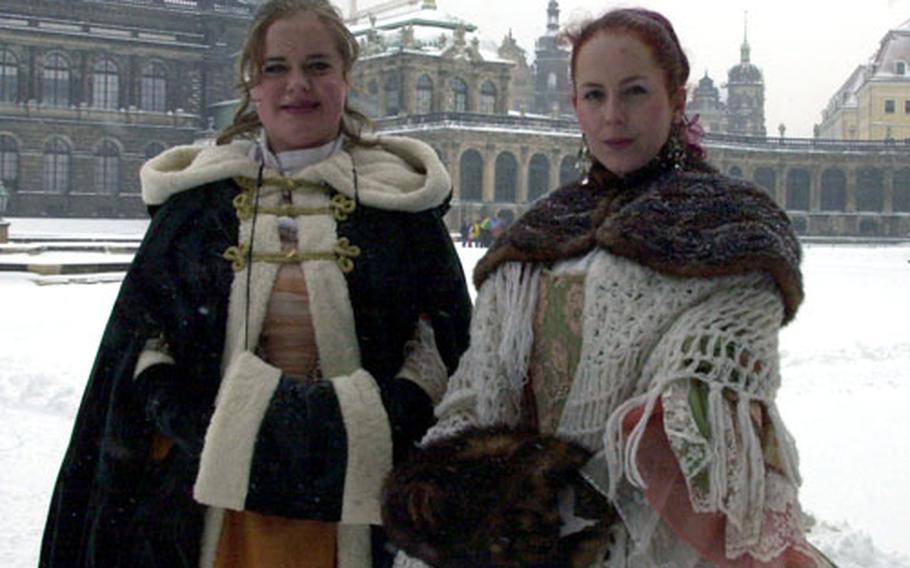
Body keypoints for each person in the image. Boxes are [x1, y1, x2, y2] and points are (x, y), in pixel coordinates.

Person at [383, 8, 833, 568]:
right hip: (512, 538)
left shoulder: (733, 232)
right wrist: (455, 492)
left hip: (650, 540)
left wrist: (552, 506)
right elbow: (480, 387)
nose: (613, 115)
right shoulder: (539, 231)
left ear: (676, 96)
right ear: (574, 103)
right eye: (594, 95)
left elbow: (694, 418)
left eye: (635, 91)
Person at [39, 1, 471, 567]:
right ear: (252, 83)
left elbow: (446, 351)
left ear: (346, 78)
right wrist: (194, 422)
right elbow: (139, 351)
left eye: (318, 66)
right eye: (276, 68)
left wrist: (389, 416)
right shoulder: (197, 208)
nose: (298, 85)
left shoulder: (401, 213)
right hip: (203, 501)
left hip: (365, 502)